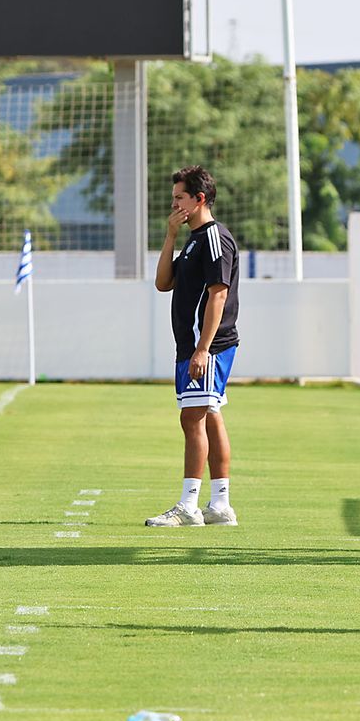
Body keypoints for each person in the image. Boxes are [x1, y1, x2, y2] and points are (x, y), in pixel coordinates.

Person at [145, 165, 241, 528]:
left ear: (199, 199)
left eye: (179, 198)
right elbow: (162, 283)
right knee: (209, 416)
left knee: (192, 417)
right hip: (192, 346)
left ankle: (188, 506)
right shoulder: (194, 238)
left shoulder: (215, 237)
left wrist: (203, 349)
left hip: (207, 347)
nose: (174, 205)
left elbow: (219, 294)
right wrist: (170, 235)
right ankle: (220, 506)